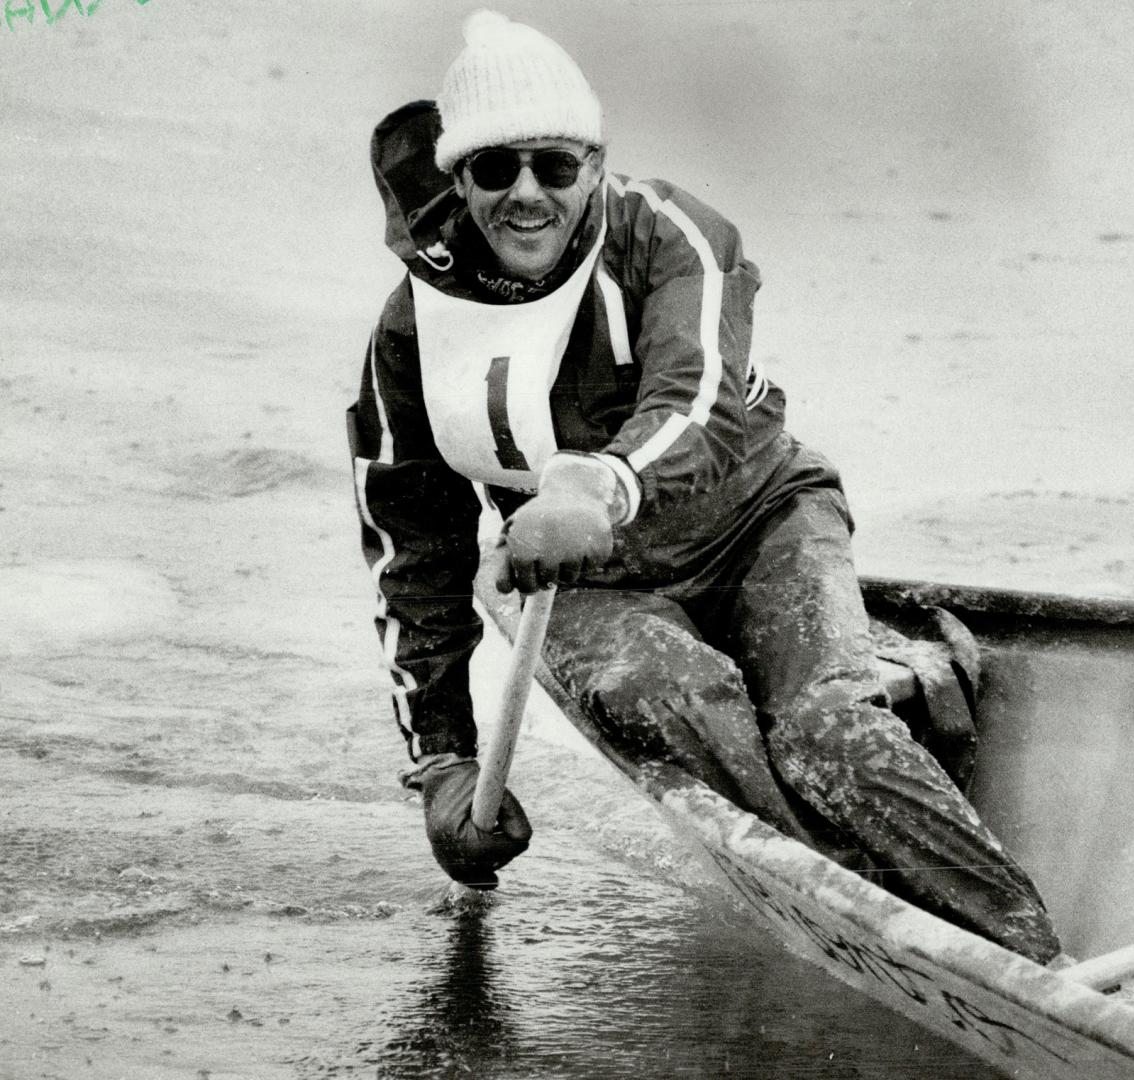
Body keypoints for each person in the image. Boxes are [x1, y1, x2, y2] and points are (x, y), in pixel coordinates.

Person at [348, 9, 1062, 964]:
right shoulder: (411, 333)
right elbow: (413, 555)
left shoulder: (673, 234)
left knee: (826, 732)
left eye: (556, 167)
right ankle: (864, 920)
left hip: (759, 519)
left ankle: (1034, 954)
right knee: (666, 688)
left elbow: (700, 400)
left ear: (595, 165)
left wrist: (594, 484)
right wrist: (442, 763)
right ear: (458, 178)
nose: (527, 196)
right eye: (494, 169)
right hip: (594, 589)